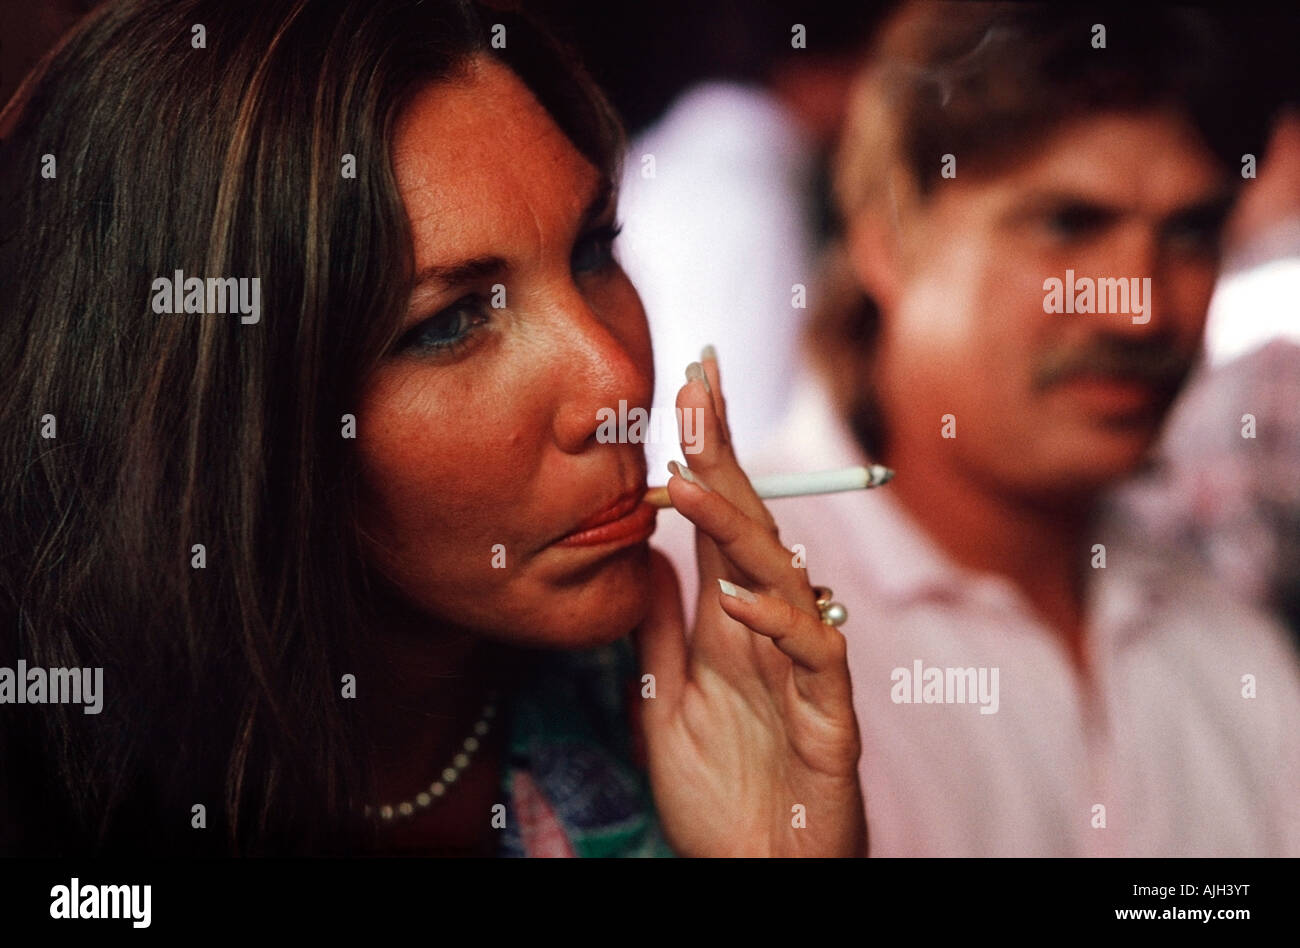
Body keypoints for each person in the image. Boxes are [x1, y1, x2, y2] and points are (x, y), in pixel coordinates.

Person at [0, 0, 863, 857]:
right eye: (450, 322)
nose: (616, 383)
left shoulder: (681, 708)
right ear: (222, 420)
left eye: (593, 250)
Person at [658, 1, 1300, 855]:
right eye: (1069, 224)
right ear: (884, 236)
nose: (1142, 308)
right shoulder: (699, 610)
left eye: (1190, 233)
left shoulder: (1232, 653)